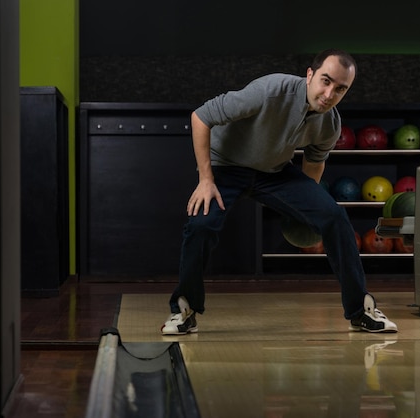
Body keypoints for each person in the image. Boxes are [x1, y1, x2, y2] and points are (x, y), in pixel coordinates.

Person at [161, 49, 398, 335]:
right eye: (325, 81)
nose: (329, 93)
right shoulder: (270, 91)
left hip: (273, 172)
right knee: (201, 225)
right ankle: (184, 309)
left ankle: (361, 310)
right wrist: (206, 179)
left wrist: (307, 211)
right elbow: (201, 117)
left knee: (334, 216)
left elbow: (312, 169)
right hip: (225, 167)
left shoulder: (330, 124)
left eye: (340, 89)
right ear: (309, 75)